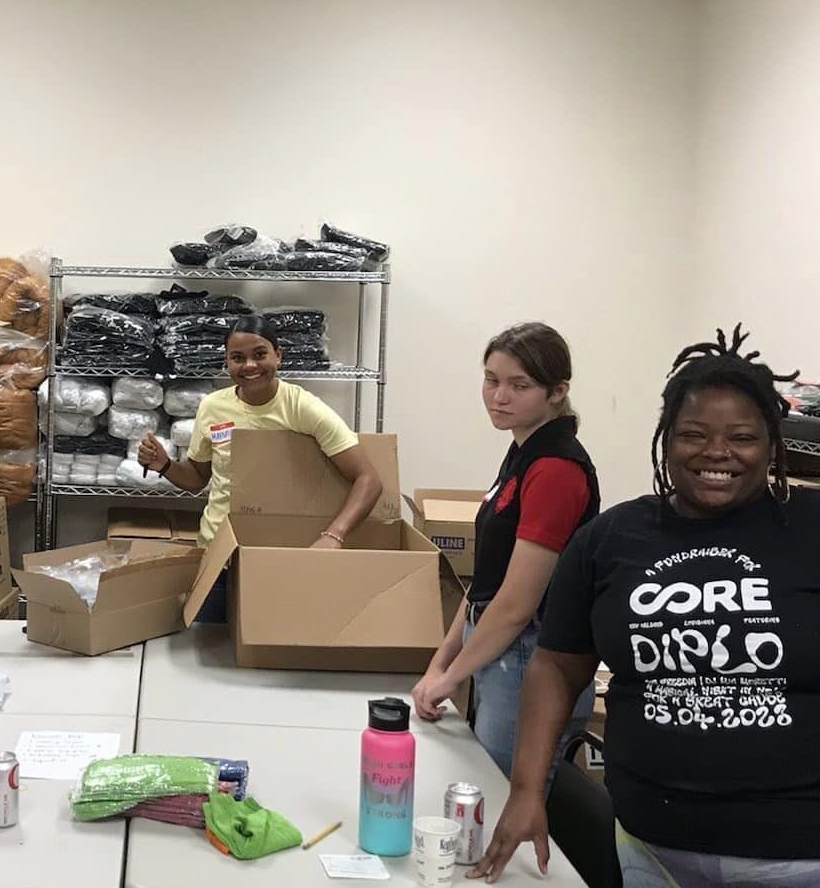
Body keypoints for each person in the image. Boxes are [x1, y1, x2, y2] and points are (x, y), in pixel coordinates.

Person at [473, 325, 820, 888]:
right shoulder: (611, 542)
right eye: (694, 435)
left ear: (772, 445)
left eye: (742, 437)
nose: (718, 453)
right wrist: (525, 791)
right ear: (665, 438)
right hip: (667, 855)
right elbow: (557, 665)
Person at [409, 323, 600, 777]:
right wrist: (441, 661)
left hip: (529, 658)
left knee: (501, 801)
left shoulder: (555, 469)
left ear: (557, 392)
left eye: (520, 385)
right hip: (498, 649)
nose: (500, 396)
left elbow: (516, 604)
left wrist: (450, 679)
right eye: (491, 380)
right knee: (484, 792)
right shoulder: (524, 451)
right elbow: (487, 580)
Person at [136, 314, 383, 622]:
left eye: (259, 354)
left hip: (278, 558)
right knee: (206, 650)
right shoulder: (213, 407)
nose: (249, 365)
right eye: (237, 358)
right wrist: (164, 465)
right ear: (227, 363)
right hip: (218, 554)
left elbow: (369, 479)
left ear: (278, 355)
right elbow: (198, 478)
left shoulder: (301, 407)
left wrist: (334, 535)